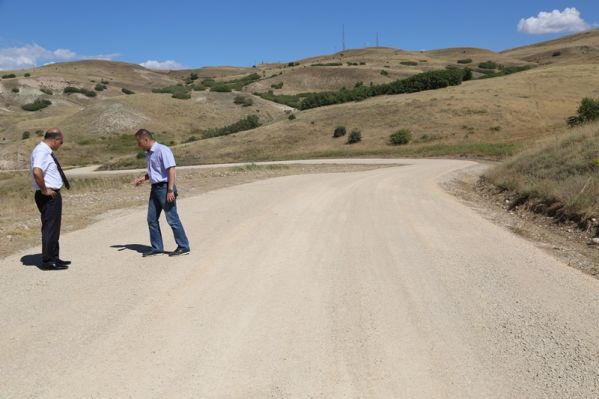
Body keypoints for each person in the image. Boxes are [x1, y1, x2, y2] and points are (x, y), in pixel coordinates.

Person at [133, 128, 190, 257]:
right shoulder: (149, 153)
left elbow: (171, 170)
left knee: (172, 219)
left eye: (139, 142)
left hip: (165, 188)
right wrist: (143, 178)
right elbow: (156, 172)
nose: (138, 145)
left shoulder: (162, 150)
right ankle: (157, 247)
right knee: (151, 219)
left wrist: (170, 190)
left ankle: (183, 246)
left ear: (146, 139)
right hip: (155, 189)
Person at [30, 128, 71, 270]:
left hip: (52, 194)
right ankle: (48, 261)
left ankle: (54, 257)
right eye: (61, 142)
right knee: (50, 228)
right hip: (48, 195)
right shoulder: (41, 151)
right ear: (55, 140)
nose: (61, 145)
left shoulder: (45, 151)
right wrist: (44, 190)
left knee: (54, 227)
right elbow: (37, 171)